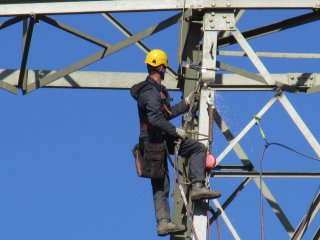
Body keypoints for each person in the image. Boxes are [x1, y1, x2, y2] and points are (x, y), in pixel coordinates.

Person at [130, 49, 221, 237]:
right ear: (162, 67)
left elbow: (166, 114)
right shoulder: (150, 92)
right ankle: (164, 222)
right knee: (161, 182)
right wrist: (175, 131)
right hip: (153, 143)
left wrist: (186, 103)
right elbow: (155, 119)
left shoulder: (156, 90)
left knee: (196, 149)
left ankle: (196, 187)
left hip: (160, 139)